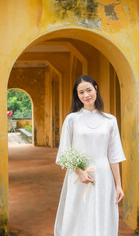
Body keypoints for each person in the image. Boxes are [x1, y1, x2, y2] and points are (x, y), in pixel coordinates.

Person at [54, 75, 126, 236]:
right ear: (77, 96)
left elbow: (114, 155)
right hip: (78, 176)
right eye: (81, 92)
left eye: (89, 90)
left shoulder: (110, 120)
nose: (86, 95)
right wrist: (79, 172)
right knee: (77, 213)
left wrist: (118, 185)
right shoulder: (72, 119)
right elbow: (64, 152)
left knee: (102, 213)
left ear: (96, 89)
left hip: (103, 175)